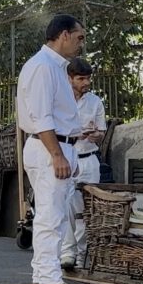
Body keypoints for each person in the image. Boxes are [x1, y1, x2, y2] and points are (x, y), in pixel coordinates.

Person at [16, 14, 86, 284]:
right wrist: (57, 155)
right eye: (79, 37)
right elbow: (41, 117)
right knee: (51, 215)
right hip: (49, 147)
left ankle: (43, 275)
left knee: (52, 214)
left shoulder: (54, 67)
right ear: (64, 35)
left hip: (54, 146)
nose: (82, 43)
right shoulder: (43, 67)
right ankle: (48, 278)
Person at [62, 56, 106, 270]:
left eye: (87, 78)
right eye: (81, 78)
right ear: (70, 79)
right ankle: (68, 253)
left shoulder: (95, 101)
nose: (86, 83)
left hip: (89, 160)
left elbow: (101, 131)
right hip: (69, 158)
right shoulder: (60, 100)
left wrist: (95, 135)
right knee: (68, 208)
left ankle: (81, 256)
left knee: (86, 210)